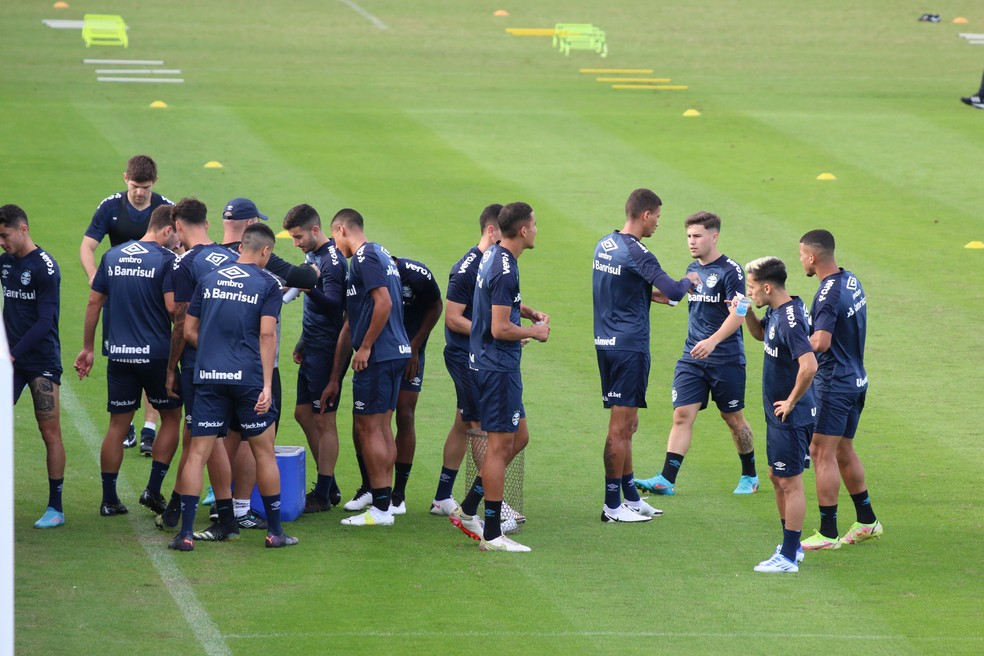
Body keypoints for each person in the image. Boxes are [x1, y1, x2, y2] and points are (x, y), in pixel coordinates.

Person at [169, 223, 297, 551]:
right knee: (263, 452)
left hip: (209, 377)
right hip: (249, 379)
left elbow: (189, 331)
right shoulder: (268, 284)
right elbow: (267, 334)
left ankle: (185, 534)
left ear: (241, 247)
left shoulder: (209, 279)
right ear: (266, 250)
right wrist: (267, 384)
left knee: (198, 453)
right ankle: (275, 533)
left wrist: (215, 350)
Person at [635, 211, 758, 496]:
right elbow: (674, 298)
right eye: (689, 236)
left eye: (697, 236)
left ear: (714, 237)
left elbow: (740, 312)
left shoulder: (731, 271)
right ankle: (666, 479)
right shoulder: (693, 268)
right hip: (692, 356)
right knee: (681, 415)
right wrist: (639, 291)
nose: (691, 241)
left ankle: (750, 476)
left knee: (733, 418)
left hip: (726, 358)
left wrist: (713, 341)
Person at [450, 202, 549, 552]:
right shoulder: (505, 268)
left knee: (519, 437)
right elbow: (499, 328)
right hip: (497, 368)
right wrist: (533, 332)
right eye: (534, 224)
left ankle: (468, 508)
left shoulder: (493, 255)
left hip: (488, 363)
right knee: (499, 447)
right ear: (522, 230)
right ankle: (492, 534)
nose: (536, 229)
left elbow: (496, 300)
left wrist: (527, 310)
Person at [592, 190, 696, 523]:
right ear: (646, 215)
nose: (658, 225)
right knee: (620, 428)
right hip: (629, 346)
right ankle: (612, 506)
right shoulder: (638, 251)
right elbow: (675, 290)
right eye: (658, 218)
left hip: (607, 342)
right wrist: (689, 280)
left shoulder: (605, 244)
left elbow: (625, 286)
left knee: (629, 424)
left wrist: (654, 296)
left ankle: (631, 498)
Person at [216, 198, 320, 531]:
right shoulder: (263, 260)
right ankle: (243, 509)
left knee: (223, 437)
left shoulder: (211, 259)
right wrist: (314, 270)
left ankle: (220, 505)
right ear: (251, 227)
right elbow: (302, 277)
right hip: (256, 369)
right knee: (256, 440)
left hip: (217, 366)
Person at [73, 205, 183, 517]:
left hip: (119, 354)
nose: (179, 241)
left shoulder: (112, 255)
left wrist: (88, 348)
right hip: (156, 356)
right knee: (171, 418)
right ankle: (153, 489)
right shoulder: (167, 260)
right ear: (167, 230)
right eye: (177, 235)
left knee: (117, 425)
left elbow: (94, 302)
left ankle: (109, 500)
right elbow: (173, 309)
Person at [156, 198, 240, 541]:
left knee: (209, 438)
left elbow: (181, 322)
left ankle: (226, 517)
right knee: (210, 436)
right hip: (238, 361)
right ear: (206, 222)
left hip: (201, 364)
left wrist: (171, 368)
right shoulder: (232, 257)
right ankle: (179, 507)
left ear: (177, 227)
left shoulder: (185, 263)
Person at [80, 155, 173, 453]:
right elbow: (87, 246)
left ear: (154, 183)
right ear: (125, 179)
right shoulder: (111, 206)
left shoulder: (165, 209)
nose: (140, 192)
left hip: (153, 297)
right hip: (119, 298)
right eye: (135, 186)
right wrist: (95, 278)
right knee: (124, 358)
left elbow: (180, 248)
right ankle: (127, 425)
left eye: (145, 187)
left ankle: (149, 429)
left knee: (152, 357)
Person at [325, 208, 410, 527]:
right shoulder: (381, 255)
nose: (335, 245)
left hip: (379, 356)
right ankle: (384, 501)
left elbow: (384, 303)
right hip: (394, 352)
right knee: (382, 427)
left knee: (368, 428)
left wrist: (366, 347)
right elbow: (353, 321)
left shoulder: (364, 257)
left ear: (341, 229)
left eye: (334, 237)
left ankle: (381, 510)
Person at [798, 230, 882, 549]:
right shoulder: (851, 280)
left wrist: (793, 342)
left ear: (812, 257)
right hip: (856, 378)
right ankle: (867, 520)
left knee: (821, 451)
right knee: (843, 449)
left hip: (834, 382)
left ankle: (827, 532)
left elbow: (821, 342)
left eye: (801, 255)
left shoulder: (827, 293)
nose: (801, 260)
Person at [742, 257, 817, 573]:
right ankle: (791, 546)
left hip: (791, 417)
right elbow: (762, 335)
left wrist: (790, 402)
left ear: (767, 287)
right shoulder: (777, 309)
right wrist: (746, 311)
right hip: (779, 416)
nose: (749, 291)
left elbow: (809, 365)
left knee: (789, 482)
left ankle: (788, 557)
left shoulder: (790, 319)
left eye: (751, 287)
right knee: (777, 476)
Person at [430, 204, 502, 516]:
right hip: (464, 356)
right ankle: (492, 502)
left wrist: (523, 315)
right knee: (480, 426)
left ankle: (442, 497)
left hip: (477, 354)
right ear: (491, 230)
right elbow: (453, 318)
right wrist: (495, 333)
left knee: (463, 422)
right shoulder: (467, 268)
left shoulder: (492, 262)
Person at [0, 204, 66, 528]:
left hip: (40, 361)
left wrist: (12, 353)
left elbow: (45, 321)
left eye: (4, 235)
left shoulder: (44, 267)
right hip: (11, 360)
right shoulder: (5, 263)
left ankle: (56, 508)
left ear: (22, 229)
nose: (2, 243)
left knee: (49, 431)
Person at [280, 204, 348, 514]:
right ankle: (328, 484)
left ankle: (322, 493)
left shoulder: (331, 261)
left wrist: (308, 288)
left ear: (316, 230)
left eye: (299, 237)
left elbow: (334, 306)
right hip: (313, 346)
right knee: (303, 413)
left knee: (324, 419)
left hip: (327, 350)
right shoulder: (313, 256)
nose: (296, 243)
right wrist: (302, 341)